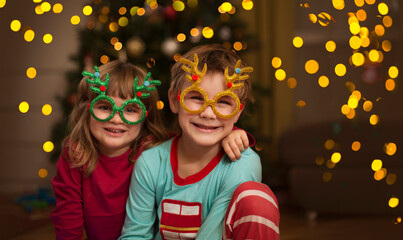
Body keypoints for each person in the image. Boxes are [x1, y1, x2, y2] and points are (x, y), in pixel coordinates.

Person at [50, 60, 254, 240]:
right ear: (87, 108)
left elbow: (198, 137)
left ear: (145, 115)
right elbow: (68, 215)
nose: (116, 118)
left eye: (130, 109)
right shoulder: (75, 154)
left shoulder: (153, 149)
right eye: (104, 106)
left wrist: (232, 132)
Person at [120, 45, 280, 240]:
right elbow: (135, 235)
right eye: (196, 97)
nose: (207, 113)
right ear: (174, 100)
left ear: (238, 111)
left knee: (257, 198)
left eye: (223, 102)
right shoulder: (150, 162)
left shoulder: (242, 162)